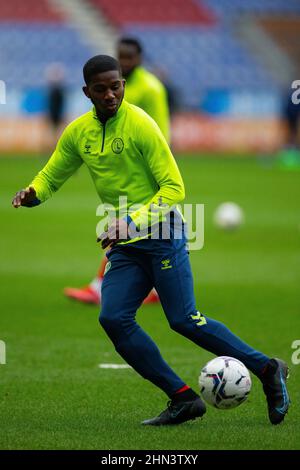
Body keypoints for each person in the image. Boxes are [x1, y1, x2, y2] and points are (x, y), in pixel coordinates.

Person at [12, 55, 290, 426]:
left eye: (116, 86)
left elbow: (174, 187)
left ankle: (268, 368)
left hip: (161, 234)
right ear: (86, 92)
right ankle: (182, 398)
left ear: (123, 85)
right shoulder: (78, 133)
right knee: (113, 317)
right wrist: (34, 193)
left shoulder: (141, 124)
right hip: (126, 245)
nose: (111, 94)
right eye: (101, 89)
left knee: (184, 320)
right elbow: (51, 175)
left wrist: (131, 220)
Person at [64, 37, 170, 305]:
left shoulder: (151, 88)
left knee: (127, 225)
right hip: (122, 166)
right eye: (120, 56)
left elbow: (160, 130)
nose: (124, 62)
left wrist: (158, 169)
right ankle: (155, 286)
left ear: (140, 58)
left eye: (129, 57)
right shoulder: (116, 83)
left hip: (144, 168)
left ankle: (100, 286)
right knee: (139, 227)